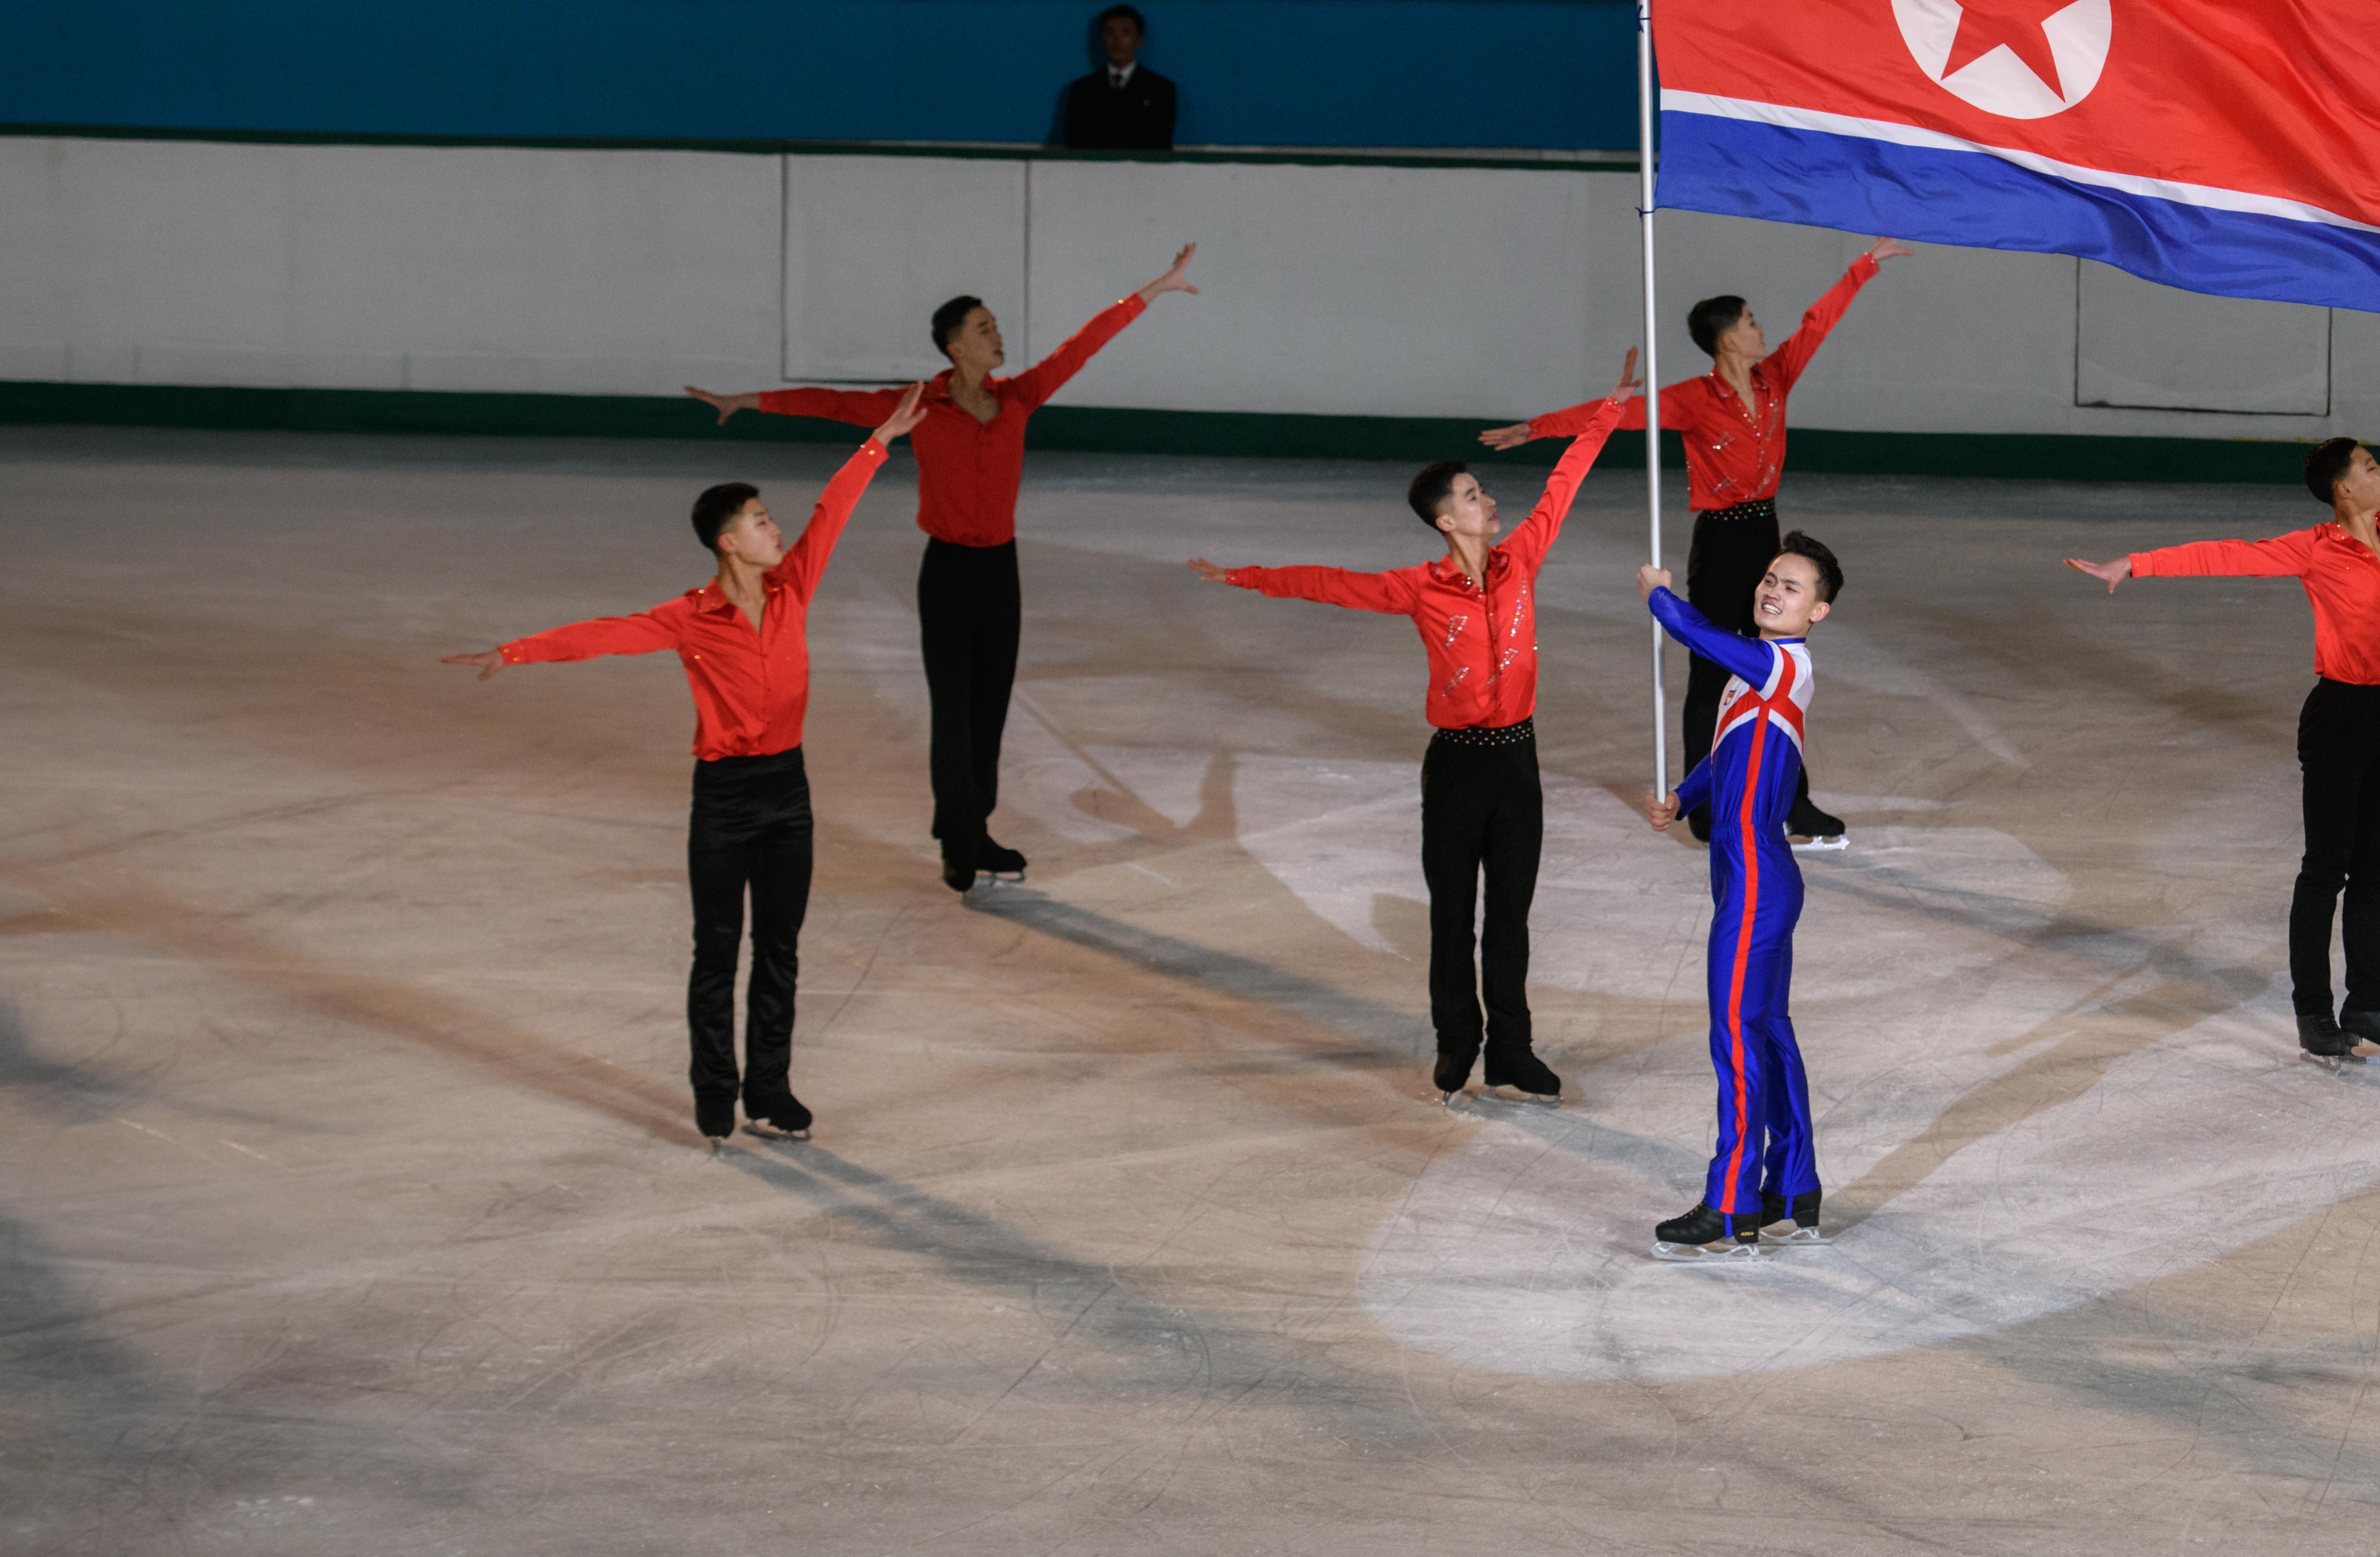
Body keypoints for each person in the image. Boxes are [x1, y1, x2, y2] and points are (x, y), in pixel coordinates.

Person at [444, 387, 932, 1147]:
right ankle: (716, 1088)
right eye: (762, 522)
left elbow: (834, 512)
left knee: (780, 949)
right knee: (717, 948)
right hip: (725, 799)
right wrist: (515, 651)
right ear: (729, 542)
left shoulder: (793, 585)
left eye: (771, 519)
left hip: (788, 793)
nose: (778, 529)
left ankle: (769, 1091)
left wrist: (879, 441)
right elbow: (607, 633)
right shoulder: (689, 617)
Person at [1192, 351, 1642, 1103]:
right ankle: (1456, 1044)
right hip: (1459, 766)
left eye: (1482, 489)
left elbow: (1563, 484)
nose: (1488, 500)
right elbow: (1329, 584)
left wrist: (1609, 410)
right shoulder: (1417, 589)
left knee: (1510, 918)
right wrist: (1244, 574)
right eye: (1472, 495)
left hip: (1517, 762)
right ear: (1445, 519)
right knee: (1450, 917)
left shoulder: (1522, 558)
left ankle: (1512, 1051)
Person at [687, 246, 1200, 891]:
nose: (998, 335)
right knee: (952, 710)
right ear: (955, 348)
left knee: (988, 709)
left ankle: (973, 829)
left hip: (999, 572)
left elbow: (1082, 346)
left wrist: (1150, 289)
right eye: (984, 329)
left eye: (995, 326)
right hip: (949, 573)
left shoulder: (1019, 396)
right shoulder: (922, 405)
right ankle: (957, 838)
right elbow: (833, 403)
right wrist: (749, 399)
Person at [2066, 342, 2380, 1062]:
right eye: (2369, 466)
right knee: (2324, 870)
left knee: (2375, 870)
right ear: (2342, 490)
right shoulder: (2312, 548)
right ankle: (2314, 1012)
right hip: (2337, 718)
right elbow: (2225, 553)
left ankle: (2367, 1002)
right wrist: (2133, 564)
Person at [1483, 243, 1911, 846]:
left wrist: (1861, 267)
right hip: (1721, 538)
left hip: (1766, 531)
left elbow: (1818, 324)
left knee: (1774, 671)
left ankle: (1793, 801)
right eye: (1752, 321)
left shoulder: (1775, 377)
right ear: (1727, 338)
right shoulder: (1692, 398)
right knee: (1712, 671)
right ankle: (1707, 807)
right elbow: (1621, 414)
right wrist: (1538, 427)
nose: (1762, 328)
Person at [1636, 532, 1847, 1258]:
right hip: (1749, 872)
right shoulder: (1752, 678)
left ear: (1816, 610)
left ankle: (1730, 1203)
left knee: (1735, 1037)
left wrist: (1661, 596)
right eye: (1768, 577)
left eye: (1791, 587)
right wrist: (1681, 793)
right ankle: (1792, 1186)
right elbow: (1725, 753)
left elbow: (1698, 634)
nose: (1771, 590)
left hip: (1756, 874)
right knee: (1764, 1030)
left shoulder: (1783, 663)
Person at [1059, 6, 1182, 149]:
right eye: (1110, 33)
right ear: (1102, 38)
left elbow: (1161, 143)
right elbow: (1075, 143)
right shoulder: (1083, 90)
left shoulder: (1161, 89)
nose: (1117, 42)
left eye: (1126, 33)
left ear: (1139, 41)